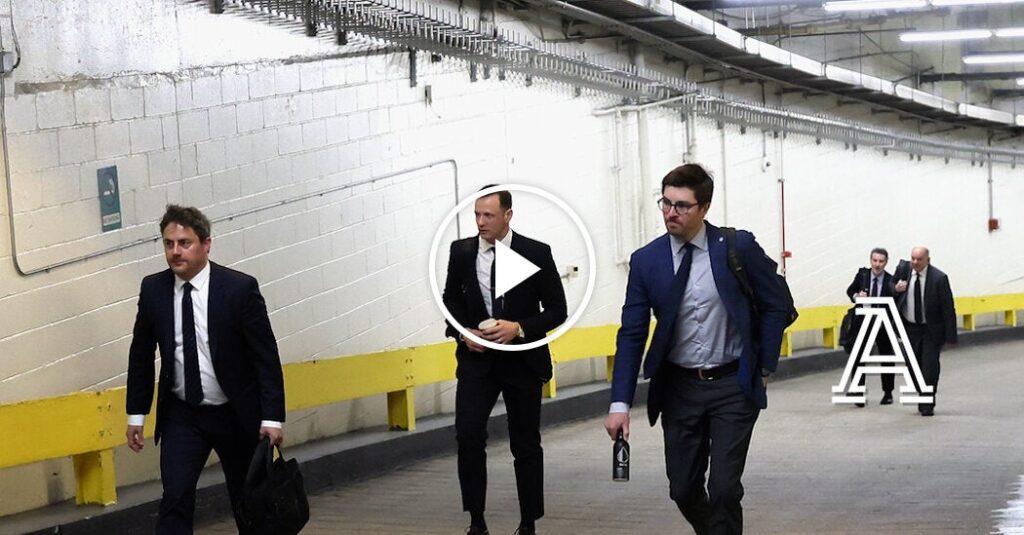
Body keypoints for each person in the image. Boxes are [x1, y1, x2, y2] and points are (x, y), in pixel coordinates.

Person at [604, 163, 790, 535]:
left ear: (704, 208)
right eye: (666, 203)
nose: (670, 213)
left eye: (682, 206)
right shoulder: (647, 261)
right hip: (679, 389)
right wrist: (620, 403)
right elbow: (632, 333)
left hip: (731, 386)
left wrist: (764, 366)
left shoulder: (738, 248)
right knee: (683, 488)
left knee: (722, 488)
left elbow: (779, 305)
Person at [125, 205, 286, 534]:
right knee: (175, 495)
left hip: (235, 414)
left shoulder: (239, 289)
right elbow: (141, 353)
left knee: (249, 501)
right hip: (183, 416)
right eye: (169, 243)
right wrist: (136, 414)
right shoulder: (154, 290)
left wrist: (272, 417)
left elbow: (265, 357)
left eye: (184, 242)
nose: (175, 251)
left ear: (206, 244)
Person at [441, 187, 567, 535]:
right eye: (477, 215)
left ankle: (528, 522)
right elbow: (449, 300)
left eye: (489, 216)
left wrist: (520, 328)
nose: (481, 222)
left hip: (522, 362)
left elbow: (558, 309)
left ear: (507, 215)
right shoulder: (462, 252)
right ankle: (476, 520)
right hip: (476, 362)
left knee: (525, 442)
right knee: (467, 436)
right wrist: (462, 332)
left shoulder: (535, 252)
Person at [893, 246, 957, 417]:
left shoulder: (939, 278)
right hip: (910, 328)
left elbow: (948, 308)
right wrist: (896, 289)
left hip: (930, 329)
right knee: (911, 365)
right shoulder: (903, 271)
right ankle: (922, 392)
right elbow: (889, 290)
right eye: (912, 258)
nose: (915, 262)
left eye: (919, 259)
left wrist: (951, 336)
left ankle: (927, 402)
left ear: (928, 259)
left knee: (929, 367)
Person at [844, 248, 897, 406]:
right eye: (875, 261)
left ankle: (888, 392)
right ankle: (858, 392)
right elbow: (850, 290)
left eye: (881, 261)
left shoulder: (891, 280)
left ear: (886, 262)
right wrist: (857, 297)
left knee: (886, 358)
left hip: (883, 324)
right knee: (858, 357)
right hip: (863, 322)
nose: (877, 264)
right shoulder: (863, 276)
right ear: (870, 260)